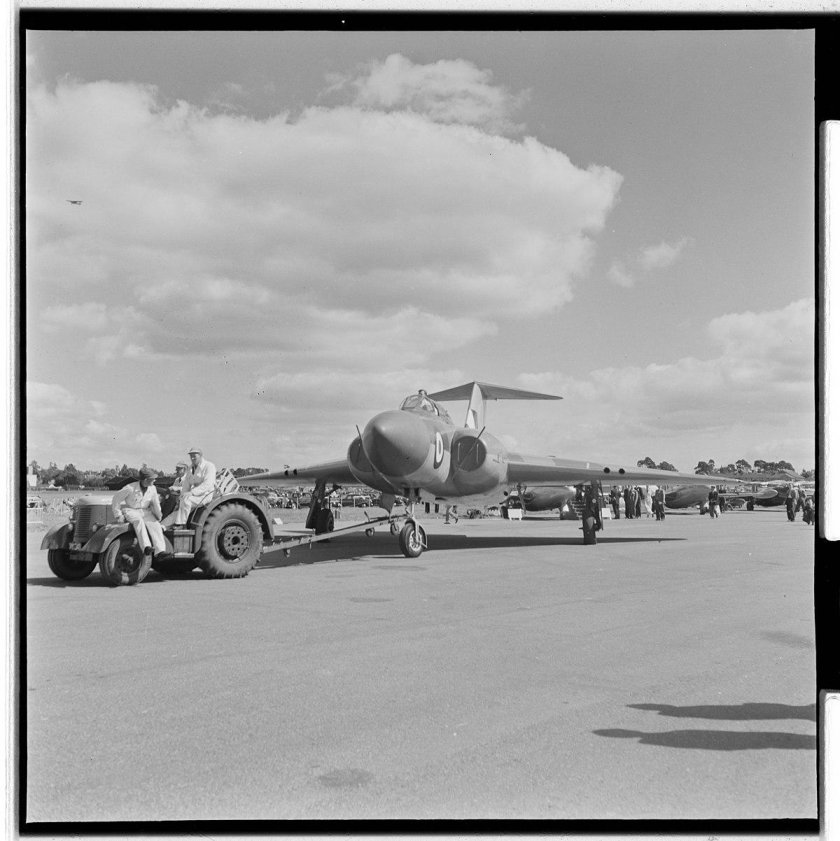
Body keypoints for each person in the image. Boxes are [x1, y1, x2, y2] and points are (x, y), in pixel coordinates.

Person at [111, 467, 166, 558]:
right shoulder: (130, 488)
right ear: (145, 480)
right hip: (131, 510)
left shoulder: (152, 488)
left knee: (155, 525)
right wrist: (118, 515)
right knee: (138, 522)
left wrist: (158, 515)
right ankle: (146, 547)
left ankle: (160, 551)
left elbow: (156, 503)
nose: (154, 480)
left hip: (145, 511)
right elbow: (116, 499)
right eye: (152, 479)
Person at [162, 447, 217, 528]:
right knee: (182, 502)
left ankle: (181, 525)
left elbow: (207, 484)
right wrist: (182, 495)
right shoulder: (190, 468)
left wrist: (191, 493)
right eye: (191, 456)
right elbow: (186, 484)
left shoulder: (209, 466)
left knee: (186, 500)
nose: (192, 458)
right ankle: (162, 526)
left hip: (205, 495)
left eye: (194, 456)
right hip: (194, 495)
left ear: (201, 455)